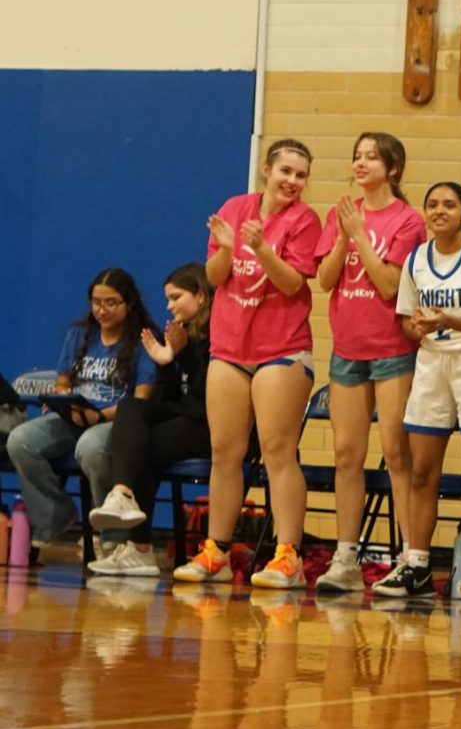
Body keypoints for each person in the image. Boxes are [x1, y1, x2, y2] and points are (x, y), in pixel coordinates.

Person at [174, 138, 321, 589]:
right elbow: (217, 279)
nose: (293, 181)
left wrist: (260, 249)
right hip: (230, 347)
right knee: (225, 452)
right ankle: (216, 550)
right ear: (266, 170)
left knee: (278, 451)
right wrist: (223, 248)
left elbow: (293, 282)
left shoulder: (305, 220)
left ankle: (287, 555)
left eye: (301, 175)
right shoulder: (236, 207)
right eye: (286, 172)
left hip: (282, 347)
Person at [374, 182, 461, 603]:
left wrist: (449, 318)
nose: (439, 211)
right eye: (432, 204)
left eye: (449, 205)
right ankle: (415, 564)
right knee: (420, 471)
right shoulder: (416, 259)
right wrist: (415, 328)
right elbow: (405, 321)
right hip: (432, 364)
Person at [312, 132, 426, 593]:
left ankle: (408, 557)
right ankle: (345, 557)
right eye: (356, 156)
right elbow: (324, 280)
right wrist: (343, 237)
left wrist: (360, 233)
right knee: (346, 455)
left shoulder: (407, 220)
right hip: (348, 348)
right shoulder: (340, 214)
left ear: (393, 168)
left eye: (371, 157)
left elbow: (387, 285)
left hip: (392, 350)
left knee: (398, 454)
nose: (360, 164)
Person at [7, 268, 158, 553]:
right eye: (96, 302)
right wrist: (62, 399)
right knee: (20, 440)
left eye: (111, 302)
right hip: (76, 414)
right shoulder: (80, 334)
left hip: (114, 419)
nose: (102, 310)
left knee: (91, 447)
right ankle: (56, 516)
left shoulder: (142, 341)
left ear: (130, 303)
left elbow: (141, 402)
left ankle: (112, 536)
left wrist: (99, 416)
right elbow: (63, 381)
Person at [88, 263, 214, 575]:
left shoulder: (217, 333)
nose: (169, 306)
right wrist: (164, 362)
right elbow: (171, 395)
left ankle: (140, 549)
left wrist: (182, 354)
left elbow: (207, 395)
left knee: (142, 446)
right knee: (132, 407)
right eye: (167, 300)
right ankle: (122, 494)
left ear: (200, 295)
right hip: (185, 411)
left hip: (210, 423)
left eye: (175, 297)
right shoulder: (181, 332)